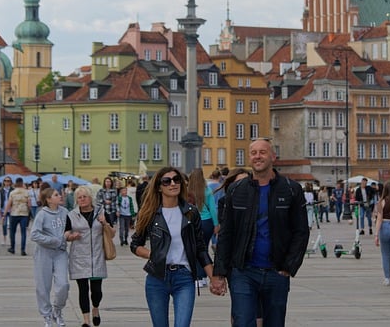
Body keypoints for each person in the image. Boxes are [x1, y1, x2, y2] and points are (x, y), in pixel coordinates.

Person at [211, 138, 309, 326]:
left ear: (273, 156)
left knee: (275, 322)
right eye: (254, 153)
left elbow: (301, 231)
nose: (258, 156)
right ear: (249, 158)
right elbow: (226, 233)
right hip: (243, 271)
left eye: (262, 152)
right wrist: (219, 272)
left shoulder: (291, 189)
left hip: (276, 271)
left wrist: (289, 265)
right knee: (242, 321)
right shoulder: (236, 189)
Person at [130, 167, 214, 327]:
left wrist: (213, 277)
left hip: (184, 277)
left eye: (176, 180)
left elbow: (200, 248)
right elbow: (135, 244)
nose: (173, 184)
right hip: (157, 277)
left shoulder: (191, 212)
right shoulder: (149, 213)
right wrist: (151, 254)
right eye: (167, 181)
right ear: (159, 187)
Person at [65, 186, 115, 327]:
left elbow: (112, 234)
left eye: (84, 197)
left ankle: (95, 308)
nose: (82, 199)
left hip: (97, 257)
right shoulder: (71, 215)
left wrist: (104, 223)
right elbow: (66, 234)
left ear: (90, 198)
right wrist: (71, 236)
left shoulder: (101, 212)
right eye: (79, 198)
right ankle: (86, 321)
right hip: (79, 257)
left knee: (96, 291)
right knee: (83, 290)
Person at [31, 187, 69, 327]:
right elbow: (34, 235)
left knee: (63, 284)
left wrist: (70, 236)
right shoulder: (42, 214)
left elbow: (70, 229)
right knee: (43, 286)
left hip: (60, 253)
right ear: (48, 199)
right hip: (43, 254)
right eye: (56, 194)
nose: (60, 196)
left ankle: (57, 311)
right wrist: (55, 240)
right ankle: (46, 315)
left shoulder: (65, 212)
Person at [187, 168, 219, 287]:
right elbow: (212, 209)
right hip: (207, 222)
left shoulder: (187, 191)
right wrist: (216, 224)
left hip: (193, 222)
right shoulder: (207, 190)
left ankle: (198, 276)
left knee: (194, 250)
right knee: (203, 249)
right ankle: (204, 276)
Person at [3, 177, 31, 255]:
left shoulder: (12, 192)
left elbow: (9, 204)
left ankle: (12, 248)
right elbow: (29, 204)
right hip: (24, 214)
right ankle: (23, 250)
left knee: (12, 232)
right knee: (23, 233)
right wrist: (29, 211)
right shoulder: (27, 192)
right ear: (22, 183)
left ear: (15, 183)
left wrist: (4, 214)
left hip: (14, 214)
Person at [0, 176, 13, 244]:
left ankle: (11, 239)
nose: (7, 182)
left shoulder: (13, 190)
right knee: (4, 225)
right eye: (5, 181)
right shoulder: (1, 190)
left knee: (11, 225)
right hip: (3, 209)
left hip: (11, 210)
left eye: (8, 181)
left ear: (10, 182)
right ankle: (4, 238)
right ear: (4, 182)